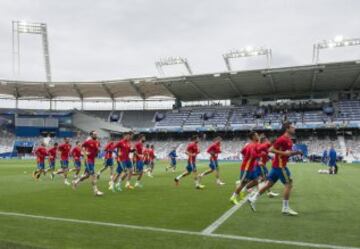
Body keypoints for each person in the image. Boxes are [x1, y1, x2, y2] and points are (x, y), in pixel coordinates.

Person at [247, 121, 303, 216]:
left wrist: (297, 152)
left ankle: (253, 198)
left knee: (268, 185)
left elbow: (287, 152)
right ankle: (285, 208)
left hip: (276, 166)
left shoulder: (289, 140)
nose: (294, 128)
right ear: (287, 128)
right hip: (280, 166)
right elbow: (271, 149)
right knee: (289, 185)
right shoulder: (282, 139)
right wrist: (284, 153)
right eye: (292, 127)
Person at [230, 131, 262, 205]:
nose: (258, 136)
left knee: (256, 181)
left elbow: (242, 151)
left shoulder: (250, 144)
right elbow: (254, 155)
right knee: (242, 183)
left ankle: (243, 189)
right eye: (257, 135)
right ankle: (233, 197)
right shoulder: (253, 145)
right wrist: (259, 155)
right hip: (247, 167)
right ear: (253, 137)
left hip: (251, 167)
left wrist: (247, 157)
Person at [72, 131, 103, 196]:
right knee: (93, 175)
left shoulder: (97, 142)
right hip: (88, 160)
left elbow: (97, 149)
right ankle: (96, 191)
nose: (96, 135)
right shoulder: (88, 141)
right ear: (91, 135)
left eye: (96, 134)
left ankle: (75, 182)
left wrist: (97, 151)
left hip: (93, 160)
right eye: (94, 134)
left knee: (87, 175)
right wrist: (84, 153)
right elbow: (81, 147)